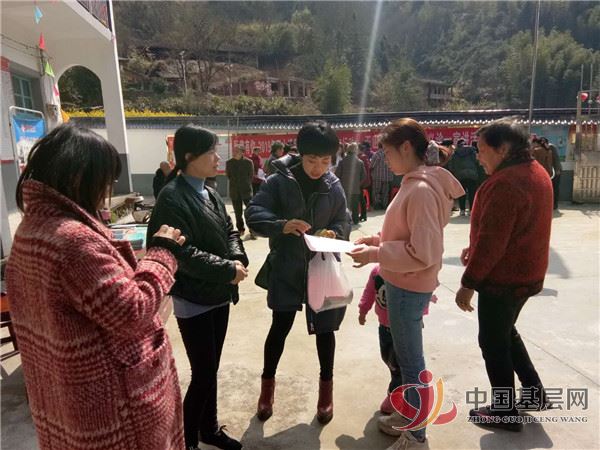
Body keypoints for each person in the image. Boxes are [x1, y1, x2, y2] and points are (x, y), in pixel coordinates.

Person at [6, 124, 186, 450]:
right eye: (105, 180)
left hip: (66, 397)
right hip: (112, 407)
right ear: (80, 178)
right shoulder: (73, 241)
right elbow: (131, 310)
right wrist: (162, 254)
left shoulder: (32, 228)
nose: (107, 190)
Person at [348, 118, 463, 449]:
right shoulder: (416, 184)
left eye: (387, 152)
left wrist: (376, 253)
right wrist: (377, 240)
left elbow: (423, 252)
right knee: (406, 360)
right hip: (403, 282)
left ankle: (416, 436)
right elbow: (407, 233)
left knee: (412, 366)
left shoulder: (421, 190)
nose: (385, 160)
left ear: (407, 147)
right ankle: (409, 417)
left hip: (408, 286)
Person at [147, 125, 249, 450]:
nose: (218, 158)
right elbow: (180, 253)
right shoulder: (171, 197)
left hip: (219, 293)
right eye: (211, 152)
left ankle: (210, 429)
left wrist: (237, 258)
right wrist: (226, 270)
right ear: (190, 157)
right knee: (203, 373)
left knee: (211, 369)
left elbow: (230, 230)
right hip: (194, 297)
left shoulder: (210, 191)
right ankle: (188, 440)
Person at [245, 121, 350, 425]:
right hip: (287, 266)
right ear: (300, 154)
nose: (318, 168)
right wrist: (282, 225)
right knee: (280, 327)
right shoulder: (279, 181)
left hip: (322, 268)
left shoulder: (333, 184)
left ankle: (326, 393)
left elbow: (344, 220)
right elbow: (254, 213)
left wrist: (335, 232)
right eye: (312, 160)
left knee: (326, 331)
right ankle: (267, 390)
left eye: (325, 161)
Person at [455, 118, 553, 432]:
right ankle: (534, 392)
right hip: (526, 273)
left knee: (492, 341)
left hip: (504, 278)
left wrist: (468, 283)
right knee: (505, 332)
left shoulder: (505, 183)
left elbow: (493, 242)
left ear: (504, 149)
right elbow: (507, 229)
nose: (478, 157)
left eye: (482, 150)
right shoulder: (535, 171)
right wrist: (474, 247)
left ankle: (505, 411)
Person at [358, 265, 436, 416]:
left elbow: (420, 291)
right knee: (387, 358)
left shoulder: (408, 272)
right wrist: (363, 310)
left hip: (403, 329)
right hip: (384, 327)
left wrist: (419, 315)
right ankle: (401, 391)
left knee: (399, 365)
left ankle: (396, 395)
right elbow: (369, 291)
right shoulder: (376, 272)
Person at [226, 145, 254, 236]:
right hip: (235, 191)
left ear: (242, 152)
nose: (234, 153)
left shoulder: (248, 162)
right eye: (234, 151)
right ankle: (240, 229)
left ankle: (252, 230)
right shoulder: (229, 163)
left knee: (250, 212)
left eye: (237, 151)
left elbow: (251, 176)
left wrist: (245, 183)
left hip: (246, 191)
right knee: (238, 213)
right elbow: (228, 175)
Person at [447, 138, 480, 216]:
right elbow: (477, 162)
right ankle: (471, 210)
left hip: (460, 175)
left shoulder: (455, 154)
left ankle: (462, 210)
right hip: (472, 175)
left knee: (461, 193)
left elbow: (451, 165)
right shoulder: (472, 152)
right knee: (472, 193)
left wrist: (455, 173)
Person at [335, 142, 366, 225]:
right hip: (355, 188)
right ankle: (355, 220)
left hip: (344, 188)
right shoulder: (360, 162)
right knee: (355, 206)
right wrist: (358, 184)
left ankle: (345, 221)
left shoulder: (342, 162)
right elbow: (364, 176)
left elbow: (337, 175)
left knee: (345, 206)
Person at [371, 143, 395, 209]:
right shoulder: (390, 154)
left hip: (377, 177)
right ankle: (384, 205)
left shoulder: (377, 154)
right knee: (385, 192)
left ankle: (377, 205)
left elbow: (372, 165)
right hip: (388, 177)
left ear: (378, 146)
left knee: (376, 191)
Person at [540, 137, 562, 209]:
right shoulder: (542, 149)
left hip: (555, 171)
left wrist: (557, 170)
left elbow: (556, 159)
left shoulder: (551, 147)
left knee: (555, 188)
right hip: (550, 171)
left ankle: (555, 204)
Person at [358, 143, 373, 222]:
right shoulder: (365, 157)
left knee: (361, 198)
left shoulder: (361, 157)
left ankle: (363, 215)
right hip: (366, 180)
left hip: (362, 181)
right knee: (362, 198)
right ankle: (364, 215)